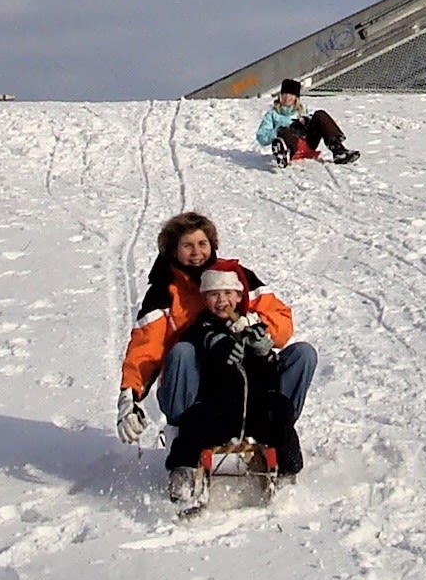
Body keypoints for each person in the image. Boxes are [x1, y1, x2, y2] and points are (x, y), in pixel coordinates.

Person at [117, 212, 316, 448]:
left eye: (202, 244)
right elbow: (145, 351)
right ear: (172, 250)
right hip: (193, 384)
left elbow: (280, 319)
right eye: (187, 246)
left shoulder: (235, 277)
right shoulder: (163, 292)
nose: (196, 252)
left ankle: (276, 428)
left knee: (304, 354)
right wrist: (129, 398)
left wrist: (257, 327)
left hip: (243, 379)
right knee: (182, 351)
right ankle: (183, 436)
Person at [161, 269, 304, 504]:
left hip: (254, 412)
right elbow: (205, 339)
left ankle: (288, 471)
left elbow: (267, 372)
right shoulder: (201, 326)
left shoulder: (250, 324)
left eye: (228, 293)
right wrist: (220, 345)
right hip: (219, 409)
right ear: (205, 298)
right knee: (194, 422)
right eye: (214, 294)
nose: (221, 300)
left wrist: (262, 351)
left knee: (280, 409)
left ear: (238, 297)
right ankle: (183, 474)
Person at [255, 79, 358, 165]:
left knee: (320, 114)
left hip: (308, 142)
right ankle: (283, 152)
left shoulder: (304, 109)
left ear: (296, 97)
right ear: (280, 96)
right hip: (291, 146)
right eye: (285, 94)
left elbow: (315, 120)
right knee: (285, 129)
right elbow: (261, 137)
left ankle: (338, 150)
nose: (287, 97)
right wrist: (278, 130)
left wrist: (305, 121)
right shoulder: (272, 114)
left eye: (291, 94)